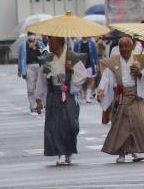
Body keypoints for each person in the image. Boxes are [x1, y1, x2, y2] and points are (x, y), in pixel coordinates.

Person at [97, 36, 144, 163]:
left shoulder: (138, 60)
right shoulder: (114, 62)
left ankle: (135, 151)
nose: (123, 49)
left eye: (126, 46)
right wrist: (101, 89)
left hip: (135, 97)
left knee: (136, 124)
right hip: (121, 97)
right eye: (121, 46)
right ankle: (121, 153)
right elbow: (107, 76)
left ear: (132, 47)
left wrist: (139, 73)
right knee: (121, 126)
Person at [33, 36, 89, 165]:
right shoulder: (47, 59)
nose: (49, 44)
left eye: (52, 41)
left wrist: (71, 70)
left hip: (68, 95)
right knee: (55, 126)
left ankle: (68, 151)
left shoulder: (72, 57)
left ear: (59, 43)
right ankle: (61, 153)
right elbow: (41, 81)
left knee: (72, 126)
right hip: (53, 95)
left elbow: (83, 76)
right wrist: (39, 99)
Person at [19, 35, 44, 111]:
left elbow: (45, 54)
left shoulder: (40, 44)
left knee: (39, 86)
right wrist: (20, 69)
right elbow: (20, 58)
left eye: (33, 39)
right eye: (30, 40)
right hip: (29, 66)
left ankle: (40, 103)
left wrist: (36, 49)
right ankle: (32, 105)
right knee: (30, 87)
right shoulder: (23, 45)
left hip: (39, 66)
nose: (31, 41)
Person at [73, 37, 100, 103]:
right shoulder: (77, 44)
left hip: (90, 63)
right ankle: (83, 92)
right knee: (82, 80)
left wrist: (96, 63)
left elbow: (95, 54)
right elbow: (74, 54)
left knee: (91, 79)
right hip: (81, 64)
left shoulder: (92, 43)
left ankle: (88, 96)